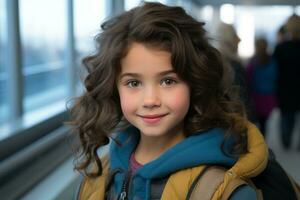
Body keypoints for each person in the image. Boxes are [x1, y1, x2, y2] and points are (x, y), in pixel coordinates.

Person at [69, 3, 269, 200]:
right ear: (114, 88)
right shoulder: (101, 173)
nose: (150, 100)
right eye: (133, 83)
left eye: (168, 81)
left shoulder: (223, 191)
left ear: (195, 83)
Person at [273, 14, 300, 150]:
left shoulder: (281, 48)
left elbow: (274, 71)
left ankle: (286, 141)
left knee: (286, 117)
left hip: (285, 88)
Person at [215, 22, 252, 120]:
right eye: (235, 35)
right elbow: (241, 97)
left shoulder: (215, 61)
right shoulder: (234, 65)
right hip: (236, 119)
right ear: (229, 40)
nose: (239, 39)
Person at [246, 38, 278, 136]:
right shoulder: (273, 61)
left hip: (256, 97)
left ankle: (257, 141)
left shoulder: (252, 62)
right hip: (269, 96)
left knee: (255, 123)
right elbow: (276, 77)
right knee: (264, 122)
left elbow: (248, 79)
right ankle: (263, 139)